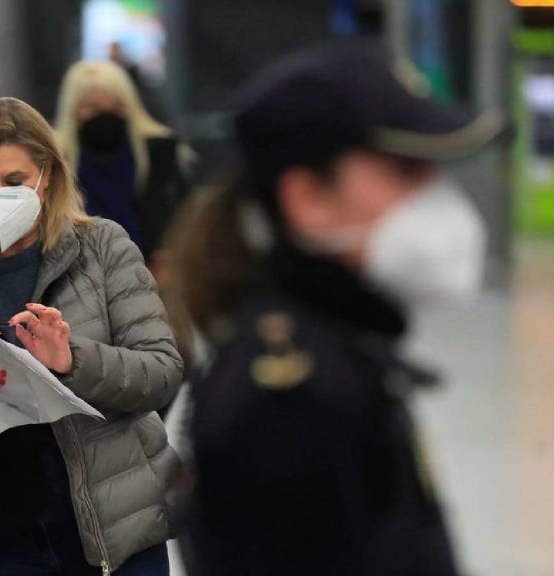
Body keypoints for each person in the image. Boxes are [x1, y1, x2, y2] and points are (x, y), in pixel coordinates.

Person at [172, 42, 504, 575]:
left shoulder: (339, 354)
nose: (438, 198)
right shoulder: (293, 401)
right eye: (404, 170)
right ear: (307, 198)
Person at [0, 97, 183, 576]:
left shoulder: (104, 249)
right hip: (1, 538)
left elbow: (161, 373)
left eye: (13, 182)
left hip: (112, 532)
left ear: (46, 176)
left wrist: (72, 360)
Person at [54, 60, 190, 266]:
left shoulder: (161, 154)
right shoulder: (54, 161)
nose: (106, 116)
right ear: (73, 110)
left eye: (116, 106)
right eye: (93, 107)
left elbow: (183, 218)